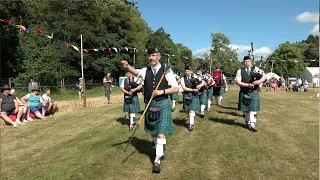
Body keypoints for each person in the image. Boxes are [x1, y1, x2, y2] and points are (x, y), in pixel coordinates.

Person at [121, 47, 179, 173]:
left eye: (153, 55)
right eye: (150, 56)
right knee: (153, 131)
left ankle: (157, 160)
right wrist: (127, 66)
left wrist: (161, 91)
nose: (151, 58)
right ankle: (158, 146)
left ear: (159, 56)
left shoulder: (166, 70)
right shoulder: (145, 70)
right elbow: (135, 72)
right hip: (149, 103)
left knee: (161, 132)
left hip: (162, 103)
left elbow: (175, 88)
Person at [235, 56, 266, 132]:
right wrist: (247, 85)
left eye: (248, 61)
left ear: (251, 62)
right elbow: (238, 82)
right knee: (245, 110)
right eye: (245, 61)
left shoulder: (256, 69)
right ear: (243, 62)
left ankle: (252, 124)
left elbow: (264, 76)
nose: (247, 63)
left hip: (254, 91)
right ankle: (248, 121)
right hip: (244, 91)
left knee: (253, 109)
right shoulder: (240, 71)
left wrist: (259, 82)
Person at [180, 65, 204, 131]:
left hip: (194, 95)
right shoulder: (182, 78)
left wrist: (200, 85)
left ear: (191, 71)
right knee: (188, 110)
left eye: (188, 71)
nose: (186, 72)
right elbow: (184, 87)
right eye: (185, 71)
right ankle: (192, 116)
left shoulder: (195, 76)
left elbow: (204, 82)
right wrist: (193, 90)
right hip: (187, 94)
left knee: (191, 110)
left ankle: (191, 125)